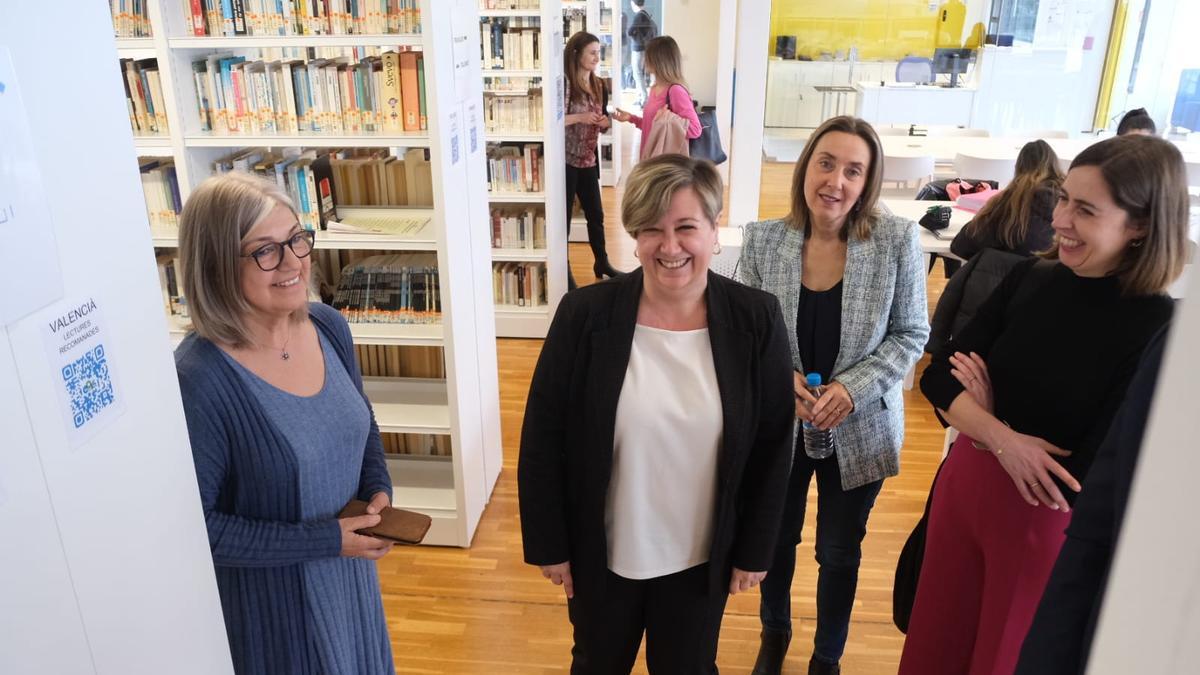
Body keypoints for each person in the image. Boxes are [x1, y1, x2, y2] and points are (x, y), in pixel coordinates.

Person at [899, 134, 1188, 675]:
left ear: (1141, 225)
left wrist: (980, 417)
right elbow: (939, 377)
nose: (1059, 221)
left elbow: (1079, 473)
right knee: (932, 649)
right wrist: (1001, 436)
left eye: (1084, 209)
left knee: (1004, 658)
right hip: (966, 493)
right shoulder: (1032, 277)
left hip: (1041, 523)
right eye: (1063, 199)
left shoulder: (1158, 327)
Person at [518, 154, 795, 674]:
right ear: (634, 236)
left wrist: (755, 550)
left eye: (686, 227)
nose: (669, 247)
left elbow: (774, 444)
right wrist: (549, 543)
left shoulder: (756, 318)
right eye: (651, 230)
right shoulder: (584, 315)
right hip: (602, 555)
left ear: (714, 231)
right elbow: (543, 434)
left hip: (699, 559)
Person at [174, 172, 396, 674]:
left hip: (351, 586)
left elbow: (360, 421)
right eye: (265, 251)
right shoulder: (200, 378)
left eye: (296, 239)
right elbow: (200, 531)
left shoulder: (327, 326)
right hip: (277, 616)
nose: (293, 262)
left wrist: (377, 487)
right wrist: (326, 540)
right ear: (216, 266)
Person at [738, 115, 931, 675]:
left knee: (839, 552)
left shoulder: (895, 240)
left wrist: (852, 387)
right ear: (806, 167)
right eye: (827, 163)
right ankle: (774, 633)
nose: (836, 181)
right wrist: (780, 380)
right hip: (783, 423)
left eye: (854, 170)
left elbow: (912, 333)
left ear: (867, 182)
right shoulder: (764, 239)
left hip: (862, 425)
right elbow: (750, 334)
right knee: (775, 538)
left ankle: (827, 657)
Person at [1014, 323, 1170, 674]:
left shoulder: (1155, 322)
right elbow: (1095, 524)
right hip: (1129, 605)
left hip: (1049, 514)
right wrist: (999, 435)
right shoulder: (1177, 345)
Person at [950, 139, 1063, 261]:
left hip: (1006, 277)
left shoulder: (1006, 202)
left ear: (1017, 167)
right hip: (1053, 277)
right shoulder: (1070, 204)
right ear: (1055, 166)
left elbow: (961, 246)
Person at [564, 31, 619, 281]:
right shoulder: (566, 83)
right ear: (577, 54)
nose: (598, 57)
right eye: (593, 52)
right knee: (563, 218)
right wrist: (580, 118)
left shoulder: (599, 85)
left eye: (599, 52)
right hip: (566, 161)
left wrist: (605, 122)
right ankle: (563, 270)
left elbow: (603, 121)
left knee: (595, 215)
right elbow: (555, 121)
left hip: (588, 159)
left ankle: (602, 262)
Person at [613, 36, 701, 160]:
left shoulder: (676, 91)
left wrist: (669, 117)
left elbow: (695, 130)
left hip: (664, 163)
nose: (644, 60)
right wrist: (631, 118)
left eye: (648, 56)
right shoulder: (654, 88)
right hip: (650, 157)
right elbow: (654, 126)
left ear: (659, 60)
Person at [626, 0, 657, 105]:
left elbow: (630, 31)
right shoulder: (645, 14)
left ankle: (644, 98)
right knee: (640, 73)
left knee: (637, 73)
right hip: (644, 47)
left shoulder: (638, 16)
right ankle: (641, 98)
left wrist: (632, 32)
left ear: (634, 3)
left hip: (638, 48)